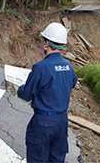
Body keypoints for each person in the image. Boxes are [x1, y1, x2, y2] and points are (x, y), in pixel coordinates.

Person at [17, 23, 78, 163]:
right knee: (56, 159)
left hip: (43, 122)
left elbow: (26, 94)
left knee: (38, 159)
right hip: (61, 122)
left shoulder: (40, 67)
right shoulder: (68, 66)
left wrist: (20, 88)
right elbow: (73, 83)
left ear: (47, 43)